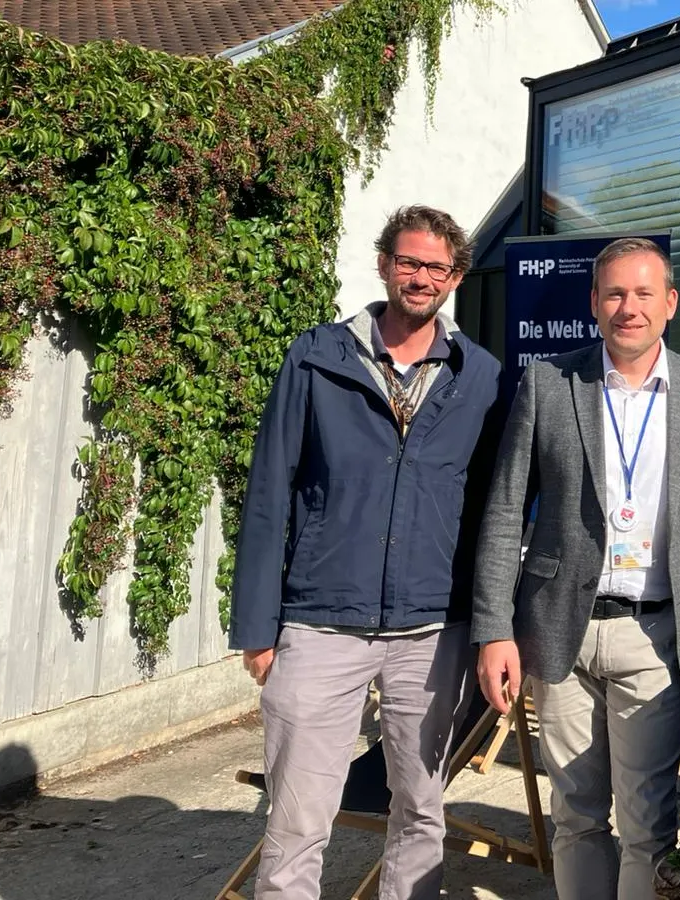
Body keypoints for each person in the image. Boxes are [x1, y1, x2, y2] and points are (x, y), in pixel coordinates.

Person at [472, 237, 680, 900]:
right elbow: (503, 509)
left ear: (669, 303)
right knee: (576, 816)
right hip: (560, 632)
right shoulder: (549, 384)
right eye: (614, 293)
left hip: (655, 637)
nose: (628, 308)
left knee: (647, 826)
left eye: (643, 294)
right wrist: (493, 627)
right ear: (593, 304)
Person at [228, 205, 503, 900]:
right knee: (296, 825)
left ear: (456, 277)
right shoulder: (317, 357)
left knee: (420, 815)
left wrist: (490, 627)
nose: (421, 277)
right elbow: (269, 493)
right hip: (320, 623)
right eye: (408, 262)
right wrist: (257, 626)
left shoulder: (481, 377)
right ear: (384, 265)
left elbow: (494, 511)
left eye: (436, 267)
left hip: (432, 632)